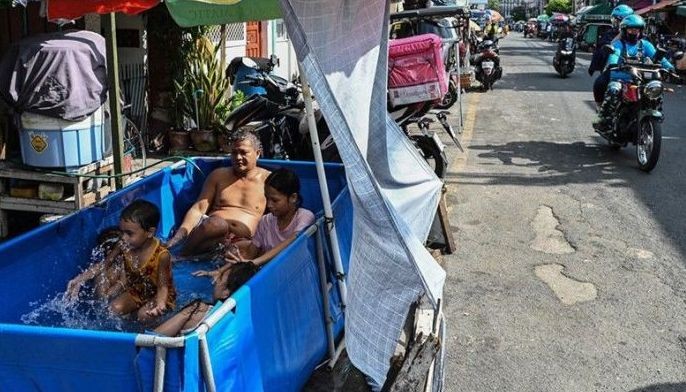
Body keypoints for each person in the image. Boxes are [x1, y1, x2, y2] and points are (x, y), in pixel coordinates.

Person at [192, 168, 315, 289]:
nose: (269, 205)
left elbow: (291, 243)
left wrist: (253, 263)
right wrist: (221, 271)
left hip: (295, 278)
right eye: (267, 199)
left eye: (275, 200)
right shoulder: (265, 221)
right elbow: (250, 254)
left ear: (293, 198)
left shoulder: (305, 217)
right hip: (269, 276)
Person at [66, 200, 176, 324]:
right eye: (122, 232)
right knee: (112, 310)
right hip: (138, 291)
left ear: (150, 232)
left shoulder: (162, 255)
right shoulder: (124, 244)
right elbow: (105, 264)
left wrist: (160, 305)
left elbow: (163, 286)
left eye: (129, 233)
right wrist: (80, 279)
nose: (123, 237)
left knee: (143, 316)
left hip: (159, 295)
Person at [165, 129, 271, 256]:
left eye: (243, 153)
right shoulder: (218, 175)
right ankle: (179, 257)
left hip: (241, 242)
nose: (238, 157)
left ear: (257, 153)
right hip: (209, 234)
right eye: (234, 152)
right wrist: (177, 238)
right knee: (217, 224)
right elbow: (198, 209)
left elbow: (277, 216)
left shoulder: (268, 181)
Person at [593, 14, 675, 132]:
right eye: (631, 29)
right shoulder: (618, 44)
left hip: (641, 79)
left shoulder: (645, 45)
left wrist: (670, 67)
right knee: (613, 89)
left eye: (637, 29)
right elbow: (614, 55)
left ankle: (655, 112)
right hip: (622, 78)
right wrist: (613, 63)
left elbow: (660, 58)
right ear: (624, 30)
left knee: (657, 90)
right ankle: (604, 119)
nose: (634, 32)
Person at [153, 262, 259, 336]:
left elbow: (152, 338)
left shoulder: (197, 309)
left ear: (225, 293)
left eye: (221, 278)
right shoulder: (245, 321)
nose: (216, 281)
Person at [589, 4, 634, 106]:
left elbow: (652, 52)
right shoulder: (610, 34)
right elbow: (603, 49)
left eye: (617, 21)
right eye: (615, 21)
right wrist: (620, 34)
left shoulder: (641, 37)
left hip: (637, 71)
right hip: (616, 69)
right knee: (599, 83)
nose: (615, 23)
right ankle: (600, 107)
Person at [65, 227, 124, 301]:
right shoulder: (103, 272)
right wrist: (79, 280)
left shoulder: (126, 265)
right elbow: (105, 299)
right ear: (110, 252)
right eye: (122, 250)